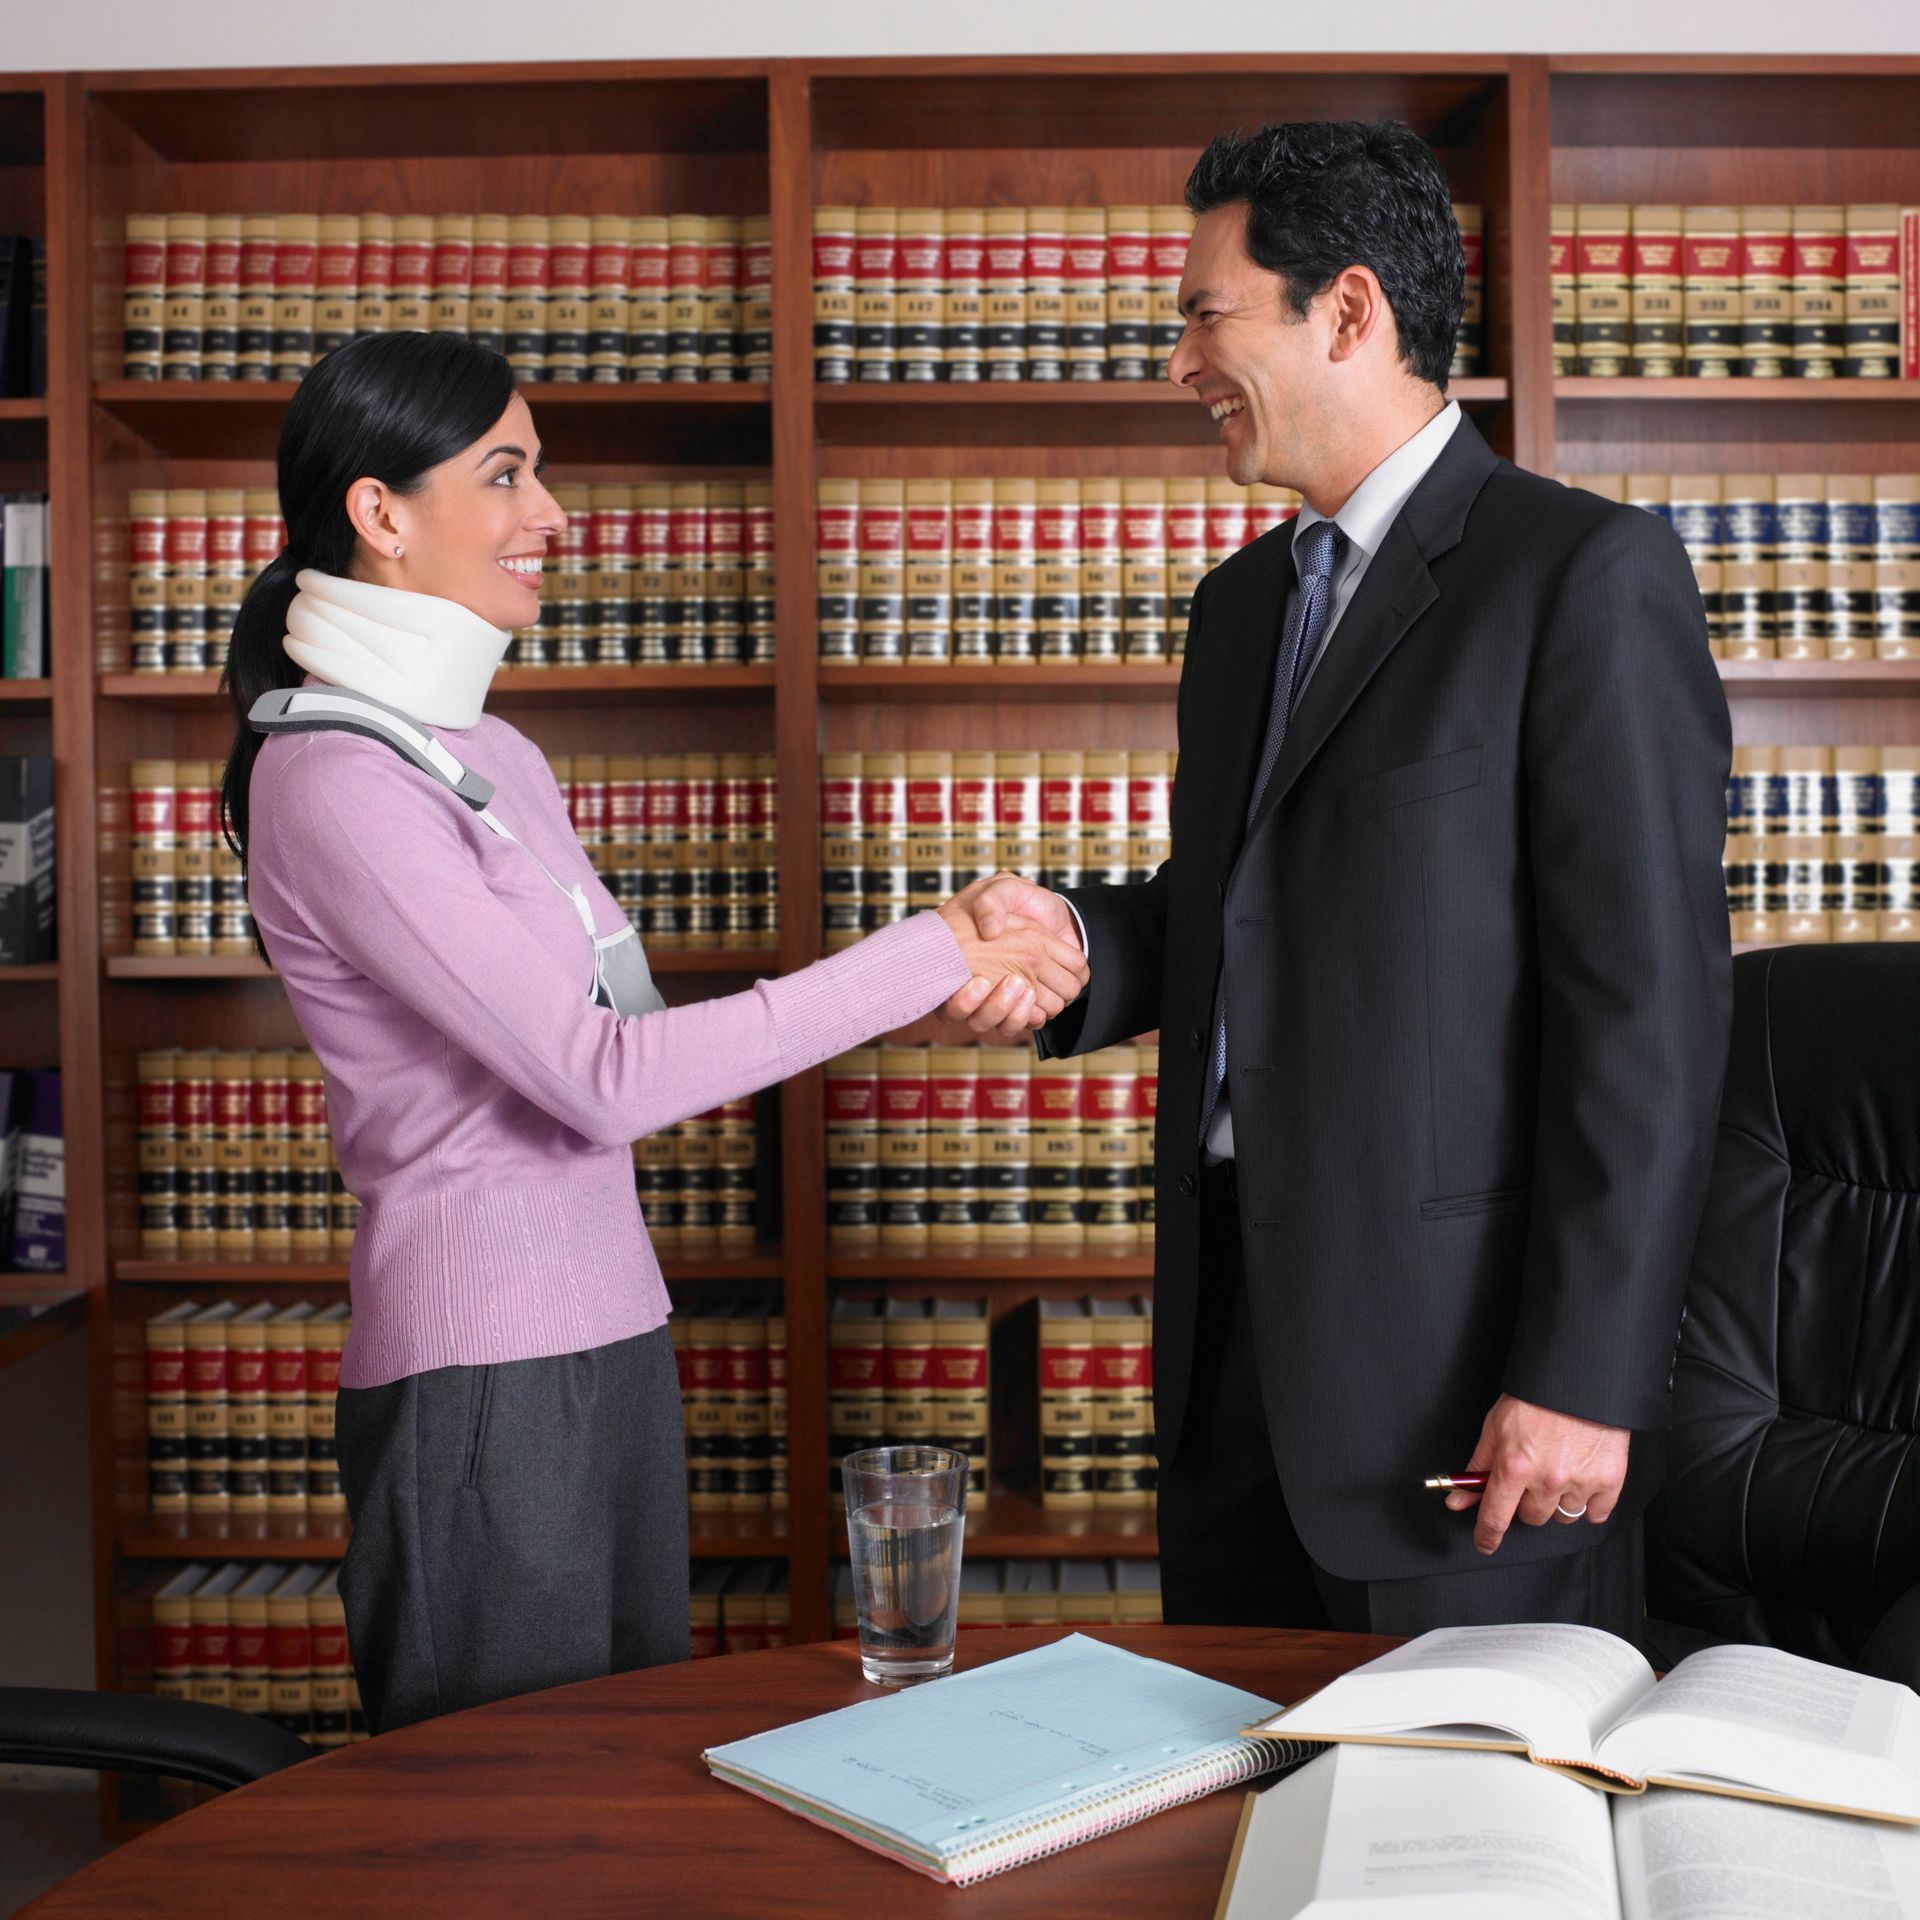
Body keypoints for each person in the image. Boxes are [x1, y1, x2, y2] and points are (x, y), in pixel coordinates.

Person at [223, 330, 1085, 1732]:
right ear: (380, 515)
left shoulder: (494, 756)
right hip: (479, 1384)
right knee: (503, 1832)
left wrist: (954, 952)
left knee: (617, 1792)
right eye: (506, 474)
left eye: (542, 474)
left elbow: (626, 1032)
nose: (550, 516)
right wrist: (932, 951)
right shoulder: (331, 782)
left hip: (616, 1337)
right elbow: (601, 1080)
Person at [944, 121, 1731, 1640]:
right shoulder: (1243, 607)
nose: (1179, 360)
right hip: (1231, 1364)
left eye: (1202, 314)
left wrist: (1582, 1374)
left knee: (1450, 1856)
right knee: (1240, 1843)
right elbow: (1246, 908)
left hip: (1469, 1401)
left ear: (1350, 312)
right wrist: (1085, 945)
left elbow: (1649, 1015)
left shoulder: (1579, 576)